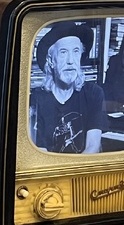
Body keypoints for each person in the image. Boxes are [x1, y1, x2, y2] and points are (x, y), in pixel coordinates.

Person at [30, 22, 106, 153]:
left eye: (76, 52)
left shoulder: (93, 93)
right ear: (51, 61)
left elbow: (93, 147)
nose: (70, 60)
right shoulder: (36, 99)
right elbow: (39, 152)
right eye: (63, 52)